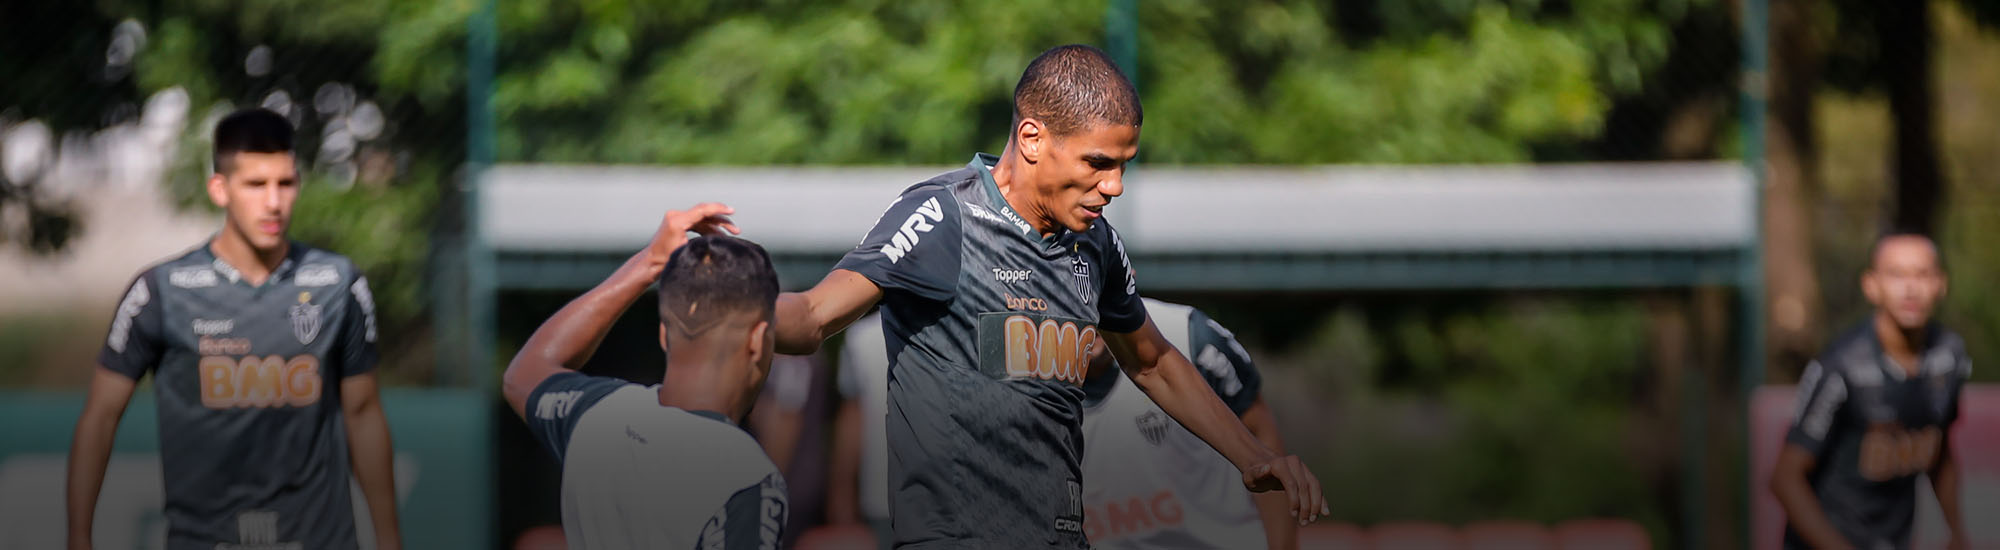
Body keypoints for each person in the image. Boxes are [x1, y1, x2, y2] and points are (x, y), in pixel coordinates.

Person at [765, 44, 1326, 549]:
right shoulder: (942, 217)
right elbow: (814, 315)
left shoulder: (1096, 244)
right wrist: (733, 305)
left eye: (1124, 165)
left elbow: (1153, 362)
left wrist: (1254, 459)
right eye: (1098, 163)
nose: (1115, 186)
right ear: (1033, 138)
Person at [66, 108, 402, 550]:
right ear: (219, 189)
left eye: (285, 183)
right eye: (256, 185)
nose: (274, 202)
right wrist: (78, 537)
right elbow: (100, 416)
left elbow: (362, 414)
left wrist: (390, 539)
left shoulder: (339, 285)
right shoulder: (161, 292)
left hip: (320, 538)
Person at [502, 205, 788, 550]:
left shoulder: (599, 415)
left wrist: (650, 262)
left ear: (664, 335)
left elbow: (524, 373)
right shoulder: (747, 474)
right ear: (758, 340)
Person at [1771, 232, 1970, 550]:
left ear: (1940, 284)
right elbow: (1785, 478)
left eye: (1922, 274)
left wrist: (1957, 531)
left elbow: (1940, 450)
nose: (1910, 288)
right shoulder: (1841, 366)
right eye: (1896, 274)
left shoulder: (1949, 357)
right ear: (1871, 286)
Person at [1078, 298, 1296, 550]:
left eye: (1095, 289)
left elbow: (1260, 433)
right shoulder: (1025, 367)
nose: (1088, 307)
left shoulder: (1188, 335)